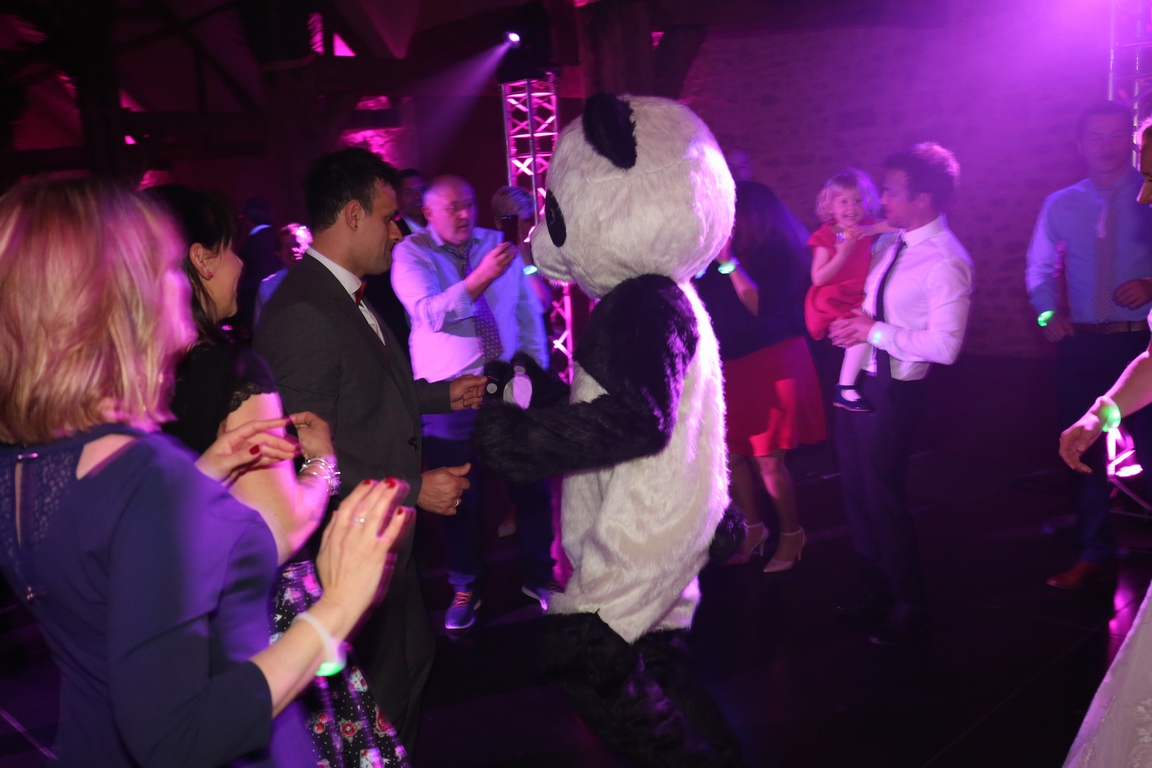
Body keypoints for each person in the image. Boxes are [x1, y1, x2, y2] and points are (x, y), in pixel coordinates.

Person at [0, 178, 413, 767]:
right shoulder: (147, 477)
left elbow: (104, 579)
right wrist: (338, 608)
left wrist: (202, 476)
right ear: (118, 301)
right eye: (163, 267)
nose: (178, 282)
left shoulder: (24, 462)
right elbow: (179, 737)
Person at [150, 183, 409, 766]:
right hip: (261, 622)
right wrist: (321, 464)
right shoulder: (232, 370)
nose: (242, 264)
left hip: (181, 619)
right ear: (201, 259)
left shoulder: (130, 380)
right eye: (231, 248)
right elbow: (280, 528)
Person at [254, 148, 486, 753]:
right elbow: (301, 448)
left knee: (409, 676)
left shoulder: (343, 294)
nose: (398, 232)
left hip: (381, 540)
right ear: (353, 215)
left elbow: (364, 392)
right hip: (348, 549)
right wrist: (414, 487)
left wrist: (442, 395)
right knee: (381, 705)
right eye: (389, 217)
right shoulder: (304, 311)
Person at [391, 175, 554, 631]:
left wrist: (535, 373)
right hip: (449, 397)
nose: (464, 214)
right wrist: (481, 278)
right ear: (428, 213)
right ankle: (465, 585)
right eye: (452, 208)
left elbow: (526, 313)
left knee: (531, 487)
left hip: (507, 388)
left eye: (468, 204)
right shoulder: (412, 253)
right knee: (459, 498)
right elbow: (429, 313)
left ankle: (540, 576)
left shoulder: (494, 244)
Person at [828, 142, 972, 645]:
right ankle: (880, 591)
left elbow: (946, 347)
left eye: (890, 191)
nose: (881, 199)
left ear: (923, 198)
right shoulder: (895, 242)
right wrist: (854, 326)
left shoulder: (946, 260)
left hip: (893, 392)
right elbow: (873, 305)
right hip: (862, 381)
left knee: (883, 499)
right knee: (857, 495)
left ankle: (912, 606)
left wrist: (873, 331)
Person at [1026, 100, 1152, 590]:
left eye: (1118, 135)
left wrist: (1150, 284)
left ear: (1132, 143)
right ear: (1080, 145)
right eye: (1096, 136)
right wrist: (1046, 313)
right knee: (1081, 450)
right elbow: (1039, 267)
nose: (1107, 145)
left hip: (1142, 343)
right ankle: (1095, 551)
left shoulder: (1149, 193)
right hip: (1083, 345)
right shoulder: (1061, 203)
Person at [694, 180, 826, 570]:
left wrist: (729, 263)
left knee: (768, 461)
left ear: (754, 215)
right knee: (733, 455)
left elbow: (761, 308)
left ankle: (792, 534)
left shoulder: (778, 252)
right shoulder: (723, 254)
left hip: (773, 363)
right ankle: (753, 528)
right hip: (732, 364)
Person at [805, 168, 894, 412]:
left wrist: (873, 230)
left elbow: (898, 225)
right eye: (843, 201)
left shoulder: (865, 227)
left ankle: (848, 385)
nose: (851, 207)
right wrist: (842, 253)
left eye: (857, 201)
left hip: (854, 295)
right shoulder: (826, 235)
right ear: (830, 207)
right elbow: (818, 277)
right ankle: (845, 388)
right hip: (832, 296)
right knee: (859, 333)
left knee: (862, 333)